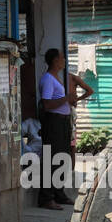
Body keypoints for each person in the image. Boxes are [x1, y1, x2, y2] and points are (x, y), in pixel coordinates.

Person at [37, 48, 92, 210]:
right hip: (53, 122)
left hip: (62, 122)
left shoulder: (56, 78)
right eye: (62, 58)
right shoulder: (48, 79)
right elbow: (47, 104)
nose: (64, 60)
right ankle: (46, 198)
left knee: (62, 157)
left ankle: (58, 193)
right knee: (51, 159)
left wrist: (68, 101)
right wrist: (66, 99)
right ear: (55, 60)